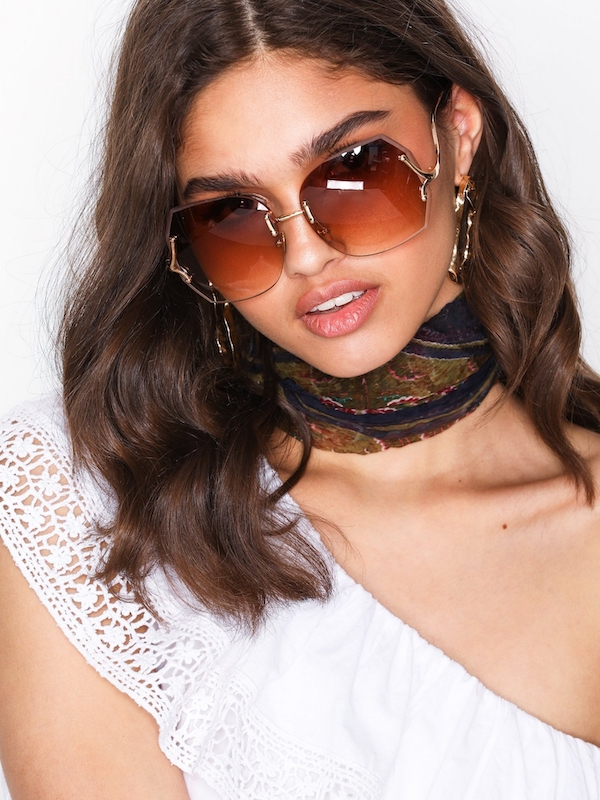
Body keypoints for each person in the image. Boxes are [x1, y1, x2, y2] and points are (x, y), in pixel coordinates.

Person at [1, 0, 600, 797]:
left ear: (458, 136)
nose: (308, 255)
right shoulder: (87, 507)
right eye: (232, 214)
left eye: (355, 171)